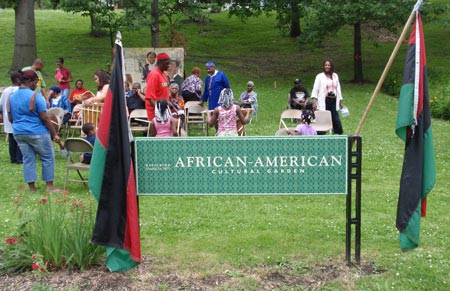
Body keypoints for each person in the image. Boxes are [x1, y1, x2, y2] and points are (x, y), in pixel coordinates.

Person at [8, 70, 61, 192]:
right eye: (36, 82)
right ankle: (49, 186)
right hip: (37, 132)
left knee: (28, 159)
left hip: (19, 133)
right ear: (30, 81)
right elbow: (45, 117)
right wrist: (54, 134)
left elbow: (10, 118)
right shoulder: (35, 96)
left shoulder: (12, 97)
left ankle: (32, 187)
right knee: (47, 157)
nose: (37, 85)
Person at [311, 59, 344, 134]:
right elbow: (315, 89)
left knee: (335, 118)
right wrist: (314, 102)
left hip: (334, 100)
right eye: (325, 65)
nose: (327, 66)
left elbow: (338, 88)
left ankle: (339, 134)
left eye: (328, 65)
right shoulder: (320, 76)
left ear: (331, 66)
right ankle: (320, 133)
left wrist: (341, 101)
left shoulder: (335, 76)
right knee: (323, 118)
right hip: (325, 100)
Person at [0, 72, 23, 164]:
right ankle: (19, 158)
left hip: (7, 117)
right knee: (19, 138)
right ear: (17, 79)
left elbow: (1, 105)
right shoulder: (19, 90)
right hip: (17, 117)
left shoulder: (6, 91)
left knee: (11, 138)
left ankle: (13, 158)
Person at [145, 53, 171, 121]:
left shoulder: (164, 74)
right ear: (160, 63)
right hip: (156, 113)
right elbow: (150, 97)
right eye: (167, 63)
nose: (168, 66)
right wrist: (159, 111)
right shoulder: (154, 75)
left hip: (164, 111)